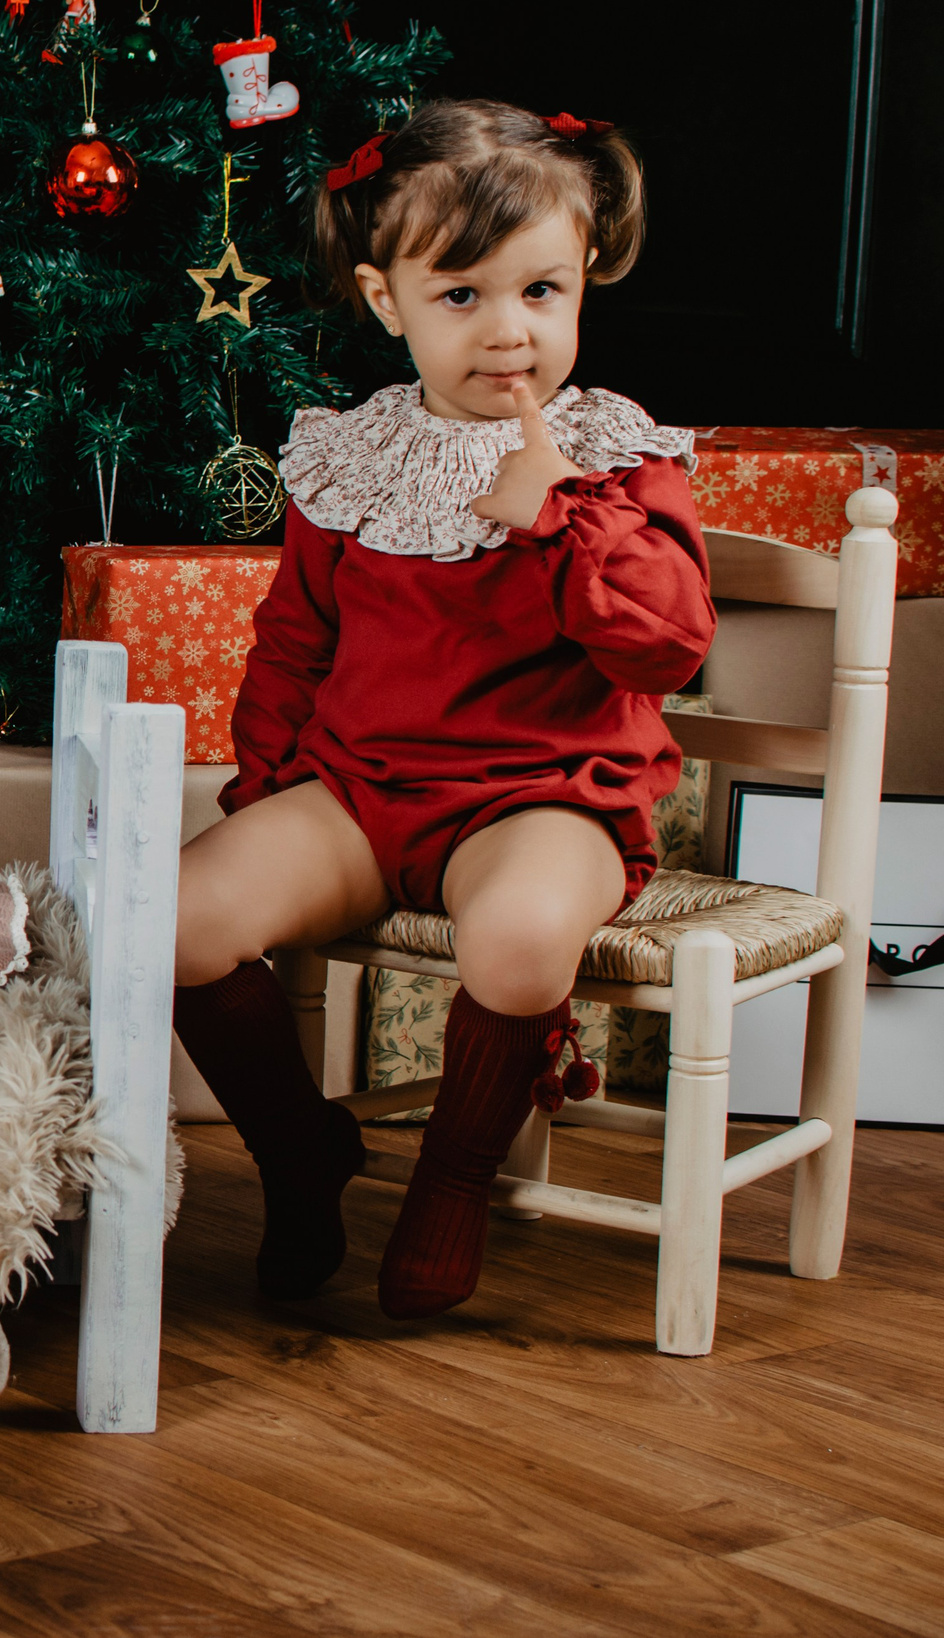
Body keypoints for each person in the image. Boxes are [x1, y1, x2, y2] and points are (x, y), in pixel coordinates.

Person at [171, 100, 714, 1320]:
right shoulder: (351, 457)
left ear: (582, 281)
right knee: (179, 918)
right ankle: (299, 1151)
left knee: (517, 938)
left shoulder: (616, 460)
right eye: (460, 295)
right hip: (360, 792)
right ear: (386, 300)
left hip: (546, 796)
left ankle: (453, 1179)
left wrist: (558, 516)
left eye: (541, 291)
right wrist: (268, 797)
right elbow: (295, 643)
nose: (508, 330)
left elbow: (670, 641)